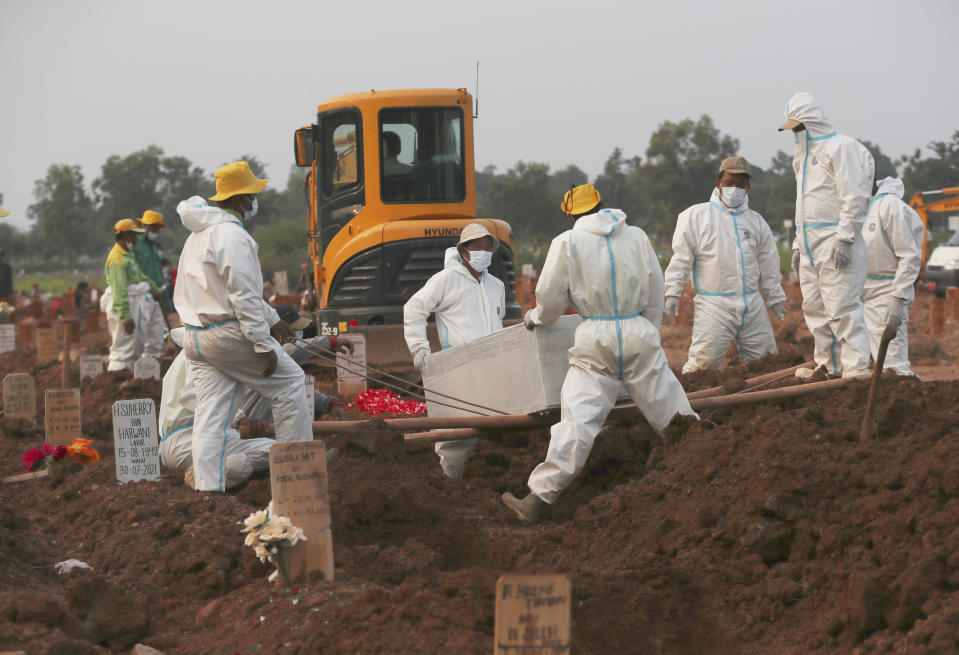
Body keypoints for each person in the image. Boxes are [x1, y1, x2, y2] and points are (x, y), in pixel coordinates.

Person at [502, 184, 697, 523]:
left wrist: (536, 317)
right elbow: (655, 290)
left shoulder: (567, 242)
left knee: (577, 421)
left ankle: (536, 501)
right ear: (602, 205)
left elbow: (550, 300)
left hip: (595, 337)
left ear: (571, 213)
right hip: (638, 333)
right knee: (672, 409)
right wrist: (647, 331)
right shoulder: (636, 236)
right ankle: (706, 462)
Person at [174, 160, 313, 492]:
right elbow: (244, 298)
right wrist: (265, 345)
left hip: (195, 335)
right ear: (242, 199)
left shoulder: (198, 234)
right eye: (252, 195)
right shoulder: (233, 236)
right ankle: (299, 481)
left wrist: (276, 321)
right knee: (290, 383)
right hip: (225, 333)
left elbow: (234, 293)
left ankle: (208, 488)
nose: (254, 202)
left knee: (211, 413)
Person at [780, 92, 875, 378]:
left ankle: (856, 370)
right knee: (816, 309)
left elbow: (853, 196)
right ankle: (828, 366)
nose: (795, 134)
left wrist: (845, 238)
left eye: (798, 128)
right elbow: (804, 205)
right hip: (810, 243)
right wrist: (798, 245)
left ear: (810, 124)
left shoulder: (842, 148)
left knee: (842, 308)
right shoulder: (802, 158)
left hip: (835, 240)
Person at [663, 156, 788, 372]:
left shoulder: (756, 221)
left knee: (767, 363)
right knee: (703, 367)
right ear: (718, 183)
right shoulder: (696, 216)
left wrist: (774, 297)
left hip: (752, 303)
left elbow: (769, 262)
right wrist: (672, 290)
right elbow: (682, 257)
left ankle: (763, 404)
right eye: (729, 183)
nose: (735, 189)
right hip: (714, 305)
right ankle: (690, 404)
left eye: (740, 185)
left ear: (748, 187)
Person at [403, 223, 506, 479]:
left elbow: (499, 321)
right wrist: (419, 348)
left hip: (492, 365)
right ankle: (448, 480)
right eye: (476, 247)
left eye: (487, 247)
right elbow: (414, 309)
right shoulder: (446, 280)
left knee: (497, 424)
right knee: (457, 430)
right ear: (464, 251)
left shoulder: (496, 285)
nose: (483, 252)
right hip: (459, 366)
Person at [234, 304, 347, 423]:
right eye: (292, 331)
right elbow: (291, 351)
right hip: (251, 427)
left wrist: (329, 403)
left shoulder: (276, 361)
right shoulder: (265, 358)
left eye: (297, 332)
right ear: (276, 330)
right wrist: (330, 342)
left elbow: (299, 389)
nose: (295, 336)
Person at [861, 177, 925, 375]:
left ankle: (904, 400)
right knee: (856, 365)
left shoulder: (890, 206)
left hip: (885, 290)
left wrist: (899, 297)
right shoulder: (855, 205)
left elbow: (909, 256)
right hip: (857, 292)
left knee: (892, 364)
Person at [101, 219, 163, 372]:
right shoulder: (117, 259)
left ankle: (130, 378)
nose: (136, 240)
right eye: (134, 236)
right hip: (125, 306)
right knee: (124, 348)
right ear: (126, 236)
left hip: (135, 302)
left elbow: (140, 276)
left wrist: (154, 289)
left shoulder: (128, 255)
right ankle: (116, 378)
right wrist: (125, 317)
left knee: (135, 346)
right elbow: (119, 291)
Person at [132, 210, 169, 355]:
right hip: (143, 295)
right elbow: (135, 271)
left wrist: (164, 296)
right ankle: (139, 370)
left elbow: (157, 272)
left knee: (156, 336)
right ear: (145, 226)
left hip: (157, 296)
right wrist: (152, 288)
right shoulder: (136, 244)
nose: (155, 231)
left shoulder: (154, 246)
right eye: (153, 227)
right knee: (141, 334)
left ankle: (152, 370)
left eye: (157, 228)